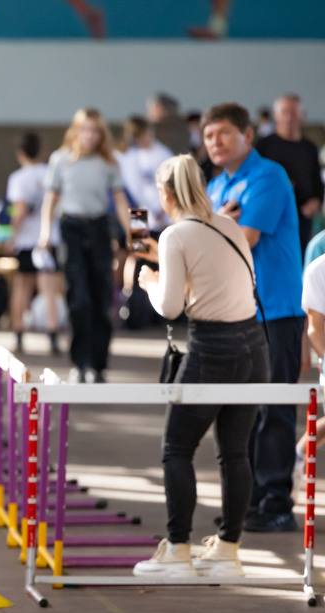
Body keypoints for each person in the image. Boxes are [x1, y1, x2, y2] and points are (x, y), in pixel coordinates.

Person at [130, 155, 269, 577]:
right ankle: (228, 549)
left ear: (168, 193)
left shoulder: (175, 236)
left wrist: (152, 280)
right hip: (253, 346)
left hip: (212, 348)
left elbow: (171, 308)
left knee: (176, 448)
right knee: (234, 451)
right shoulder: (228, 225)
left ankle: (177, 550)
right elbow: (226, 282)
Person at [205, 102, 305, 532]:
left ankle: (275, 499)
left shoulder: (267, 176)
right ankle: (245, 499)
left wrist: (213, 226)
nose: (215, 143)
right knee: (238, 408)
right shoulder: (215, 186)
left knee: (274, 407)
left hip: (275, 309)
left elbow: (243, 238)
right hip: (235, 311)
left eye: (224, 133)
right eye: (209, 136)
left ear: (247, 135)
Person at [39, 107, 132, 383]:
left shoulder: (109, 161)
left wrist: (133, 235)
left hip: (99, 227)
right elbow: (50, 200)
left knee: (102, 297)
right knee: (78, 298)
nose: (90, 136)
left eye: (95, 130)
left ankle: (99, 364)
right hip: (72, 229)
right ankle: (80, 362)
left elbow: (120, 201)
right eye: (85, 130)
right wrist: (45, 233)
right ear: (76, 132)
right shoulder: (61, 160)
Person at [6, 131, 63, 355]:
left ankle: (18, 332)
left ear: (20, 153)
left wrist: (12, 236)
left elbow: (19, 211)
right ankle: (53, 333)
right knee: (49, 288)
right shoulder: (51, 173)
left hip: (27, 240)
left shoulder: (18, 178)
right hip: (50, 238)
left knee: (22, 286)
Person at [256, 94, 325, 253]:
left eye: (293, 112)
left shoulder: (310, 147)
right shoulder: (264, 146)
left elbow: (317, 181)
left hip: (303, 217)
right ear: (276, 115)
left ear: (302, 115)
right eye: (284, 112)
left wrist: (316, 200)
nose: (289, 118)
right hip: (273, 216)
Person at [119, 116, 173, 232]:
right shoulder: (130, 157)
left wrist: (162, 209)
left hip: (165, 210)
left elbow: (172, 181)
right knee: (140, 247)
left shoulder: (163, 152)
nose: (148, 137)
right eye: (144, 135)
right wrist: (150, 208)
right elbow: (134, 189)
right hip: (138, 211)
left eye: (150, 133)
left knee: (166, 246)